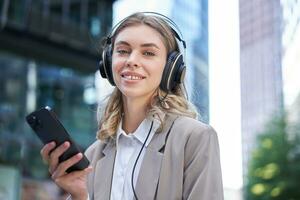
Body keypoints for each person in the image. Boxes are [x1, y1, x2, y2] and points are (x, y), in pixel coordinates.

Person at [40, 12, 224, 200]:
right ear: (108, 62)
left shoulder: (194, 138)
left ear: (171, 68)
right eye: (123, 51)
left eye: (148, 53)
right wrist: (79, 195)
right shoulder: (94, 154)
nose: (132, 60)